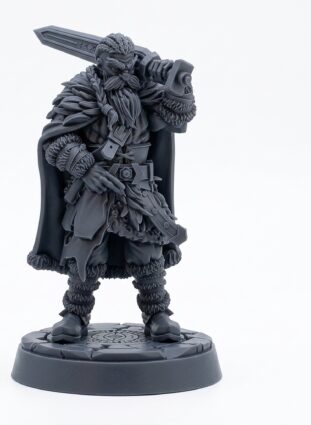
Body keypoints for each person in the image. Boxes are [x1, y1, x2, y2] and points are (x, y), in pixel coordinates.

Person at [28, 33, 196, 342]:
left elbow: (177, 117)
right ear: (101, 62)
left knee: (148, 251)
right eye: (116, 67)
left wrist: (179, 84)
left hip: (140, 187)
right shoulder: (82, 89)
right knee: (86, 250)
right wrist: (85, 166)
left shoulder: (143, 88)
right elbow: (56, 137)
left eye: (128, 66)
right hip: (96, 187)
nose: (124, 72)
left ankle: (157, 313)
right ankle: (75, 314)